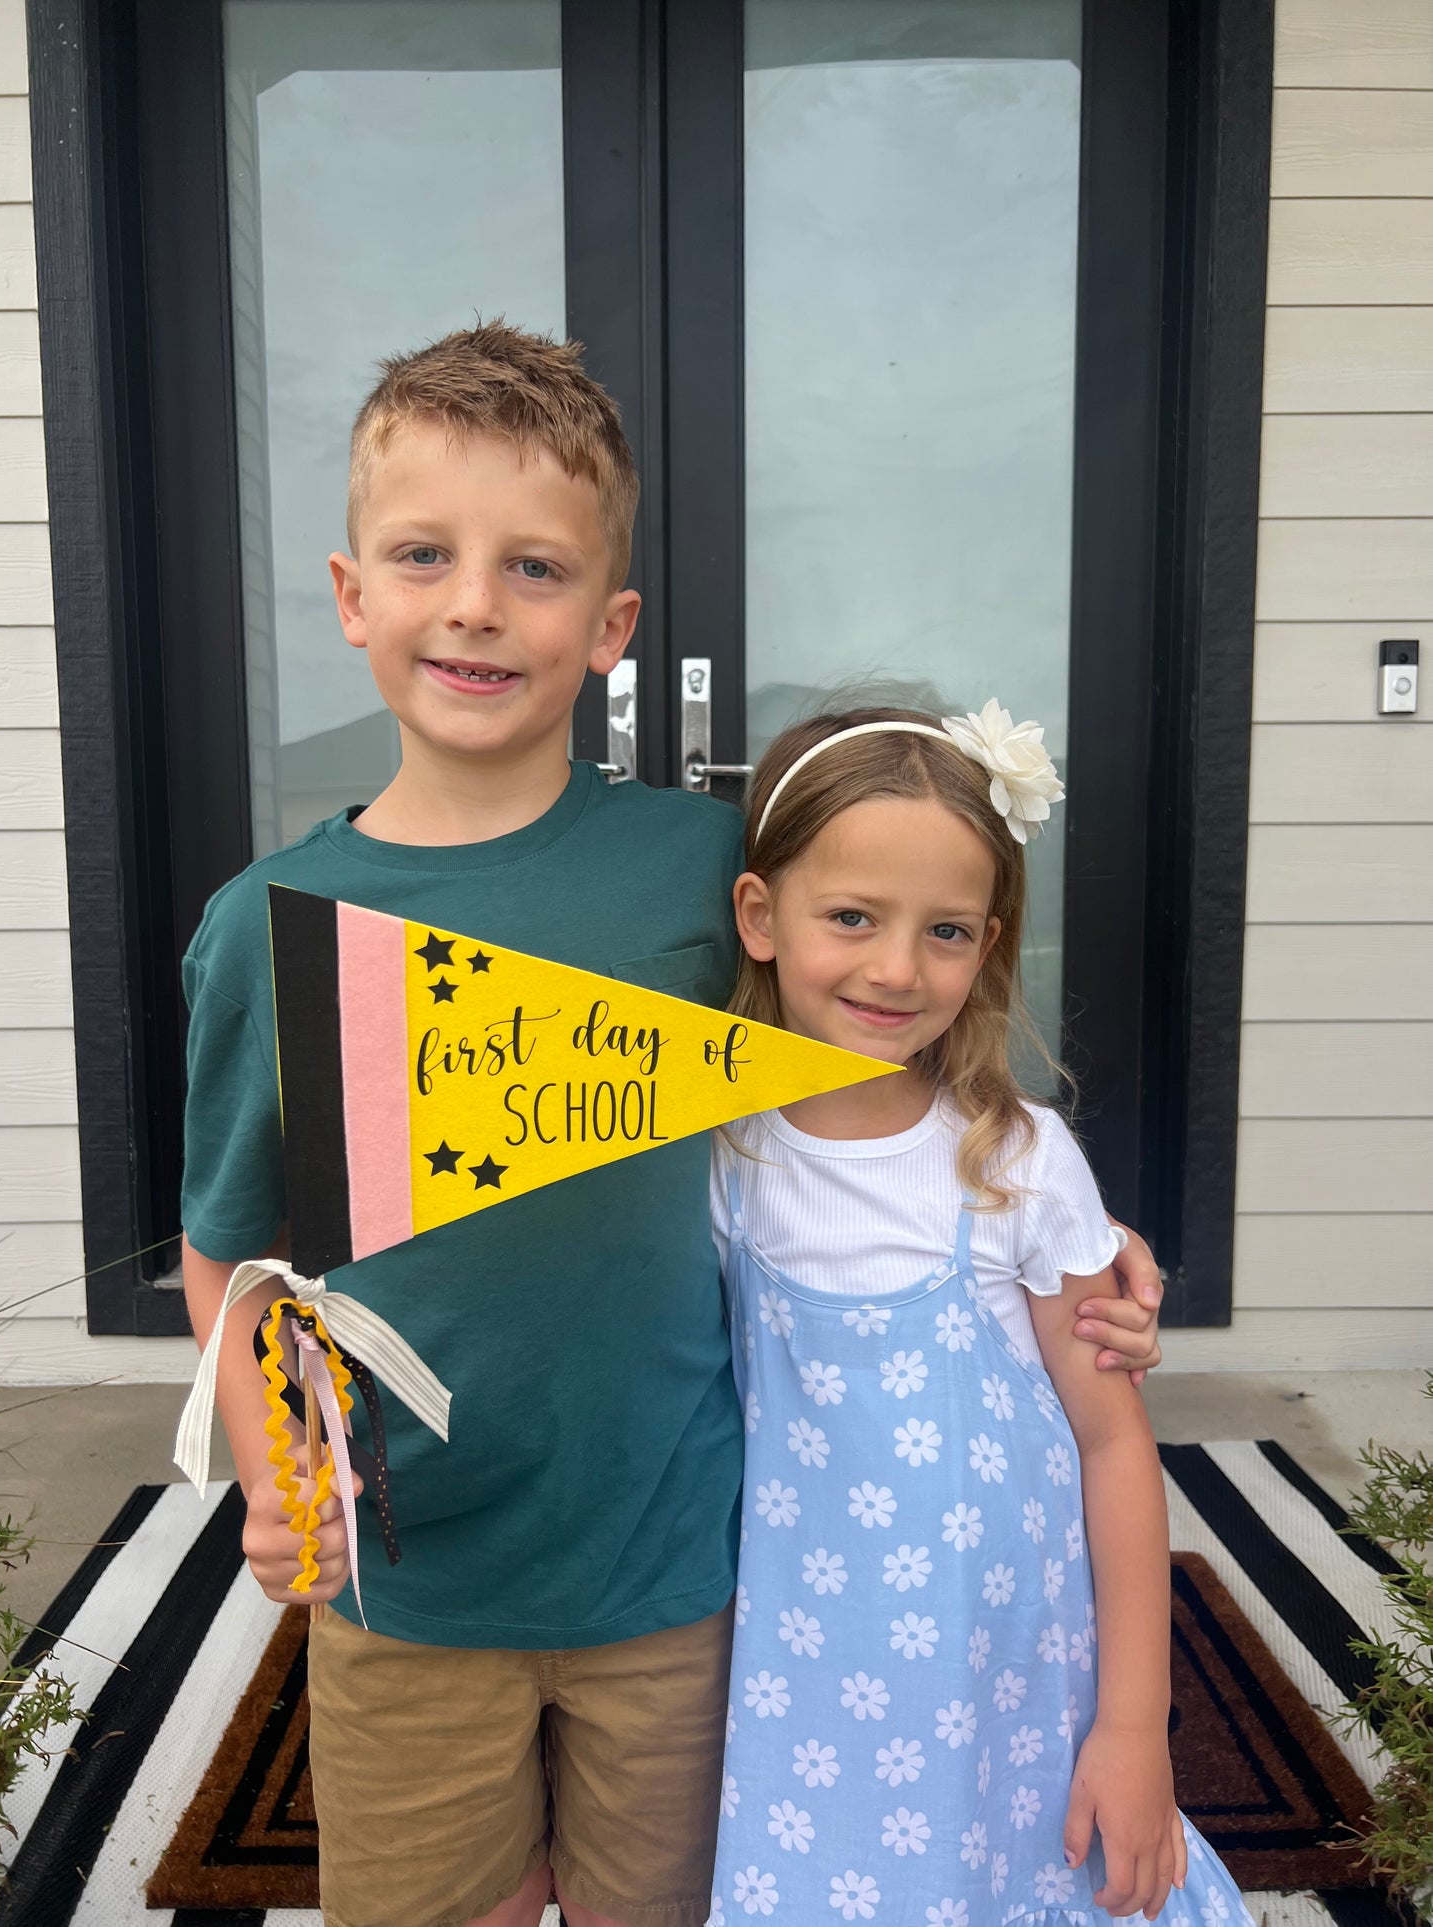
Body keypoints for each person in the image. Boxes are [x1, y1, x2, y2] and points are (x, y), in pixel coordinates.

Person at [179, 323, 1165, 1927]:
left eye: (537, 567)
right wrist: (261, 1448)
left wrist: (1076, 1239)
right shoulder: (270, 924)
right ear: (353, 594)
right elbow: (232, 1260)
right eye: (425, 554)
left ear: (613, 624)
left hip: (693, 1582)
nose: (478, 603)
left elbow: (874, 1043)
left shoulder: (704, 883)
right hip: (412, 1586)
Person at [707, 705, 1251, 1927]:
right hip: (797, 1677)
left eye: (943, 931)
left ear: (987, 942)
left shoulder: (1014, 1162)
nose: (896, 969)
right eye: (850, 916)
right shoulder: (717, 1154)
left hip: (1003, 1666)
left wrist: (1130, 1724)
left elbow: (1112, 1443)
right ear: (759, 916)